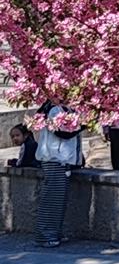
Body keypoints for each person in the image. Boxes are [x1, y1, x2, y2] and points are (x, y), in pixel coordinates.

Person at [33, 101, 82, 248]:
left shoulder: (68, 109)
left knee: (59, 200)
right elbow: (63, 132)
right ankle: (45, 236)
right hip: (54, 160)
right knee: (52, 199)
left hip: (63, 161)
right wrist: (84, 123)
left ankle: (54, 233)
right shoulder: (55, 110)